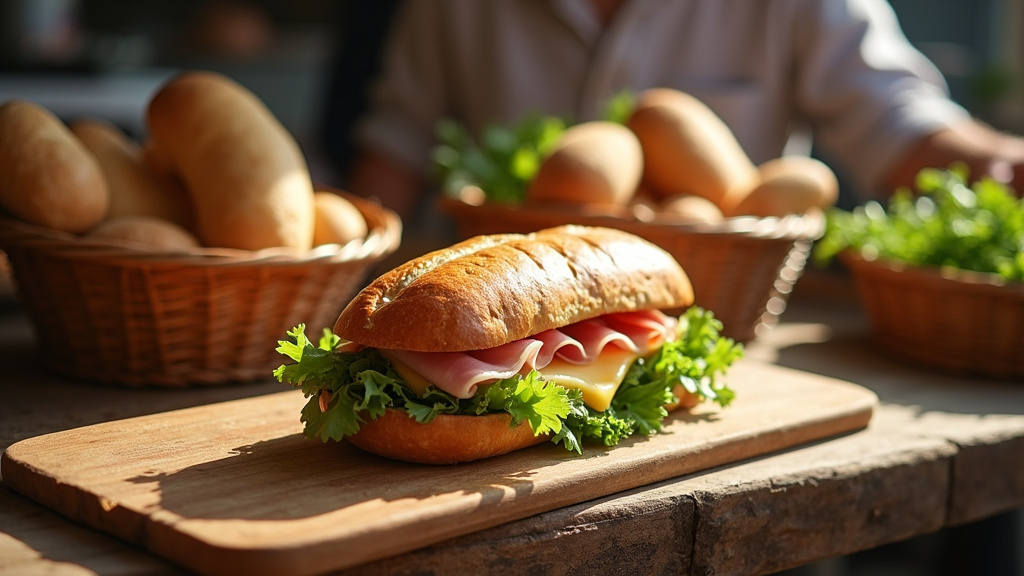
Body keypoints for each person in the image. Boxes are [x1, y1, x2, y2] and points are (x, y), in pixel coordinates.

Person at [340, 0, 1024, 228]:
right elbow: (394, 156)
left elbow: (900, 122)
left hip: (728, 353)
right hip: (516, 335)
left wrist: (998, 164)